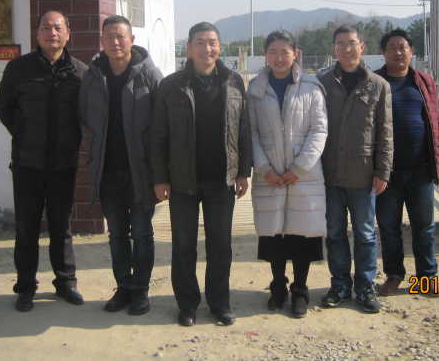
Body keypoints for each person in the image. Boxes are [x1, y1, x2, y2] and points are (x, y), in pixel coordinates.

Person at [151, 22, 252, 327]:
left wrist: (243, 171)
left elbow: (244, 129)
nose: (207, 49)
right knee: (184, 245)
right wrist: (160, 177)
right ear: (189, 48)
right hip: (183, 179)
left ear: (219, 47)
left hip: (222, 179)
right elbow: (158, 134)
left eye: (212, 42)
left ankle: (219, 303)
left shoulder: (234, 81)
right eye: (200, 42)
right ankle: (187, 305)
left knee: (220, 245)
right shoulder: (171, 85)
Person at [0, 10, 86, 312]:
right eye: (46, 27)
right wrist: (25, 135)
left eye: (58, 28)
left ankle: (66, 283)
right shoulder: (18, 69)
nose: (52, 33)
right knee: (27, 229)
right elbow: (4, 108)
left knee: (62, 227)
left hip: (63, 165)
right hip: (27, 164)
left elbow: (86, 115)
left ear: (68, 34)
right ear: (37, 33)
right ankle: (25, 288)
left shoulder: (80, 72)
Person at [79, 15, 163, 315]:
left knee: (141, 233)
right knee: (116, 234)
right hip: (107, 171)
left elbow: (162, 126)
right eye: (109, 37)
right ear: (101, 41)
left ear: (132, 40)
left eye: (121, 36)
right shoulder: (93, 76)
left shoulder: (149, 75)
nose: (115, 42)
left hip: (140, 172)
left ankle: (141, 290)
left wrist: (161, 173)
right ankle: (123, 287)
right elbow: (84, 118)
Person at [247, 30, 327, 318]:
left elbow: (319, 130)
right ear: (265, 55)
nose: (279, 58)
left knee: (301, 236)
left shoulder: (311, 87)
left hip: (303, 175)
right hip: (269, 174)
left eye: (285, 51)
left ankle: (300, 290)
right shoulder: (255, 89)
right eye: (273, 52)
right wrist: (264, 168)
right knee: (274, 236)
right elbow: (250, 133)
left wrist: (299, 168)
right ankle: (278, 287)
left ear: (296, 54)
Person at [318, 25, 393, 313]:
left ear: (362, 46)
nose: (347, 49)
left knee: (365, 234)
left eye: (352, 43)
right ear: (334, 49)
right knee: (334, 232)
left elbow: (385, 132)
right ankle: (339, 285)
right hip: (330, 174)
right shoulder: (322, 83)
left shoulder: (378, 85)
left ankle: (365, 286)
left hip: (363, 174)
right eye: (341, 44)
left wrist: (383, 171)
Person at [374, 28, 439, 297]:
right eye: (392, 48)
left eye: (402, 47)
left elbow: (435, 123)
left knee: (424, 227)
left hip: (420, 170)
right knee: (389, 227)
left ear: (411, 51)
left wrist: (438, 160)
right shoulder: (375, 82)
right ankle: (394, 275)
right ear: (383, 53)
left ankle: (427, 277)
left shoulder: (424, 82)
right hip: (387, 172)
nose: (398, 52)